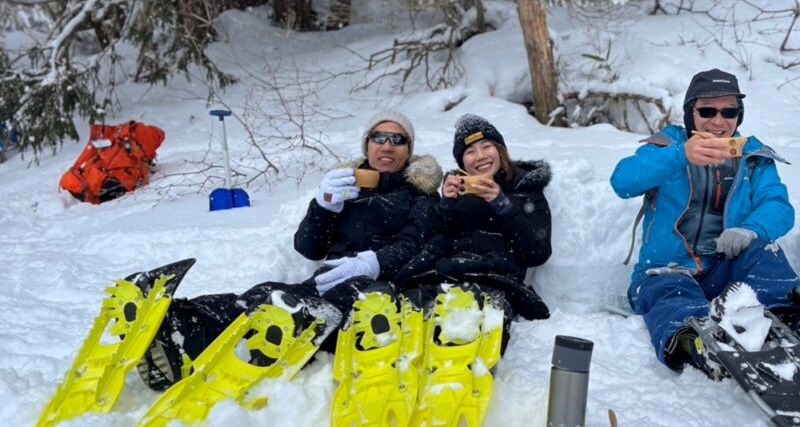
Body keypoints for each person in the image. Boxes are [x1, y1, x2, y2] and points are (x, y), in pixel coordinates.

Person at [137, 111, 442, 389]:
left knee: (304, 309)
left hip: (377, 289)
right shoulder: (344, 186)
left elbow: (416, 245)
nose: (387, 146)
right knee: (266, 294)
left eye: (398, 140)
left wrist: (374, 262)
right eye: (379, 137)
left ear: (408, 150)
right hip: (327, 279)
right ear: (367, 145)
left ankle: (273, 341)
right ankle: (179, 324)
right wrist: (324, 205)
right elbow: (309, 248)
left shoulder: (421, 195)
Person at [609, 69, 800, 372]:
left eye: (729, 112)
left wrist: (750, 230)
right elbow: (622, 181)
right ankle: (698, 342)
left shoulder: (753, 156)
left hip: (726, 274)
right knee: (671, 293)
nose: (718, 121)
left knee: (764, 251)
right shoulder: (666, 146)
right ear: (690, 114)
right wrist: (681, 155)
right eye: (707, 111)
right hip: (666, 272)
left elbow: (777, 205)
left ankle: (787, 320)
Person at [397, 114, 552, 337]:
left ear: (500, 149)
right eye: (470, 151)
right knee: (410, 320)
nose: (480, 156)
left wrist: (503, 206)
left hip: (496, 281)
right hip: (445, 277)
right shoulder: (458, 192)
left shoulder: (526, 191)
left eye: (486, 146)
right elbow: (433, 241)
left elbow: (537, 253)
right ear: (462, 163)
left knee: (467, 326)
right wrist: (446, 206)